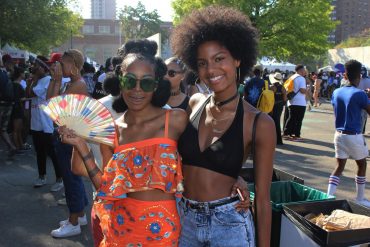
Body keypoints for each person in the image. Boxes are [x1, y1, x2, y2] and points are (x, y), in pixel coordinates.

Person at [59, 40, 188, 246]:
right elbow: (106, 188)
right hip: (121, 228)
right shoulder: (113, 131)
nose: (137, 90)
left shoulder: (175, 120)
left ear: (155, 85)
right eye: (130, 81)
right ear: (120, 82)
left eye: (145, 82)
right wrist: (81, 146)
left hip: (164, 231)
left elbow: (201, 161)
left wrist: (235, 180)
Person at [171, 5, 274, 246]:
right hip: (184, 220)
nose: (211, 70)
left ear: (238, 59)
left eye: (219, 59)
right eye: (203, 63)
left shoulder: (258, 122)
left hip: (229, 225)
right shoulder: (194, 103)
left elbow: (263, 200)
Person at [47, 49, 89, 238]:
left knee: (71, 180)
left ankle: (73, 223)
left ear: (73, 65)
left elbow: (52, 106)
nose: (58, 67)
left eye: (62, 64)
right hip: (67, 136)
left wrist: (56, 80)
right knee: (72, 178)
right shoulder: (72, 83)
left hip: (70, 139)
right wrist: (55, 79)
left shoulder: (78, 84)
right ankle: (79, 215)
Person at [327, 60, 370, 207]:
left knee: (339, 166)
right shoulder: (360, 94)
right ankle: (360, 199)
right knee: (362, 164)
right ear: (359, 75)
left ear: (345, 75)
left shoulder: (336, 92)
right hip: (354, 135)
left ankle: (328, 196)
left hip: (338, 134)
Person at [25, 56, 63, 190]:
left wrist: (33, 81)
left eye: (36, 65)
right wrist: (32, 81)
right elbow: (28, 94)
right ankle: (42, 176)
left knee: (52, 153)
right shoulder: (35, 80)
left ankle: (60, 179)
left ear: (43, 68)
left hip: (46, 122)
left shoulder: (48, 80)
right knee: (39, 151)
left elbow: (35, 93)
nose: (33, 68)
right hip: (36, 123)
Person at [283, 64, 307, 141]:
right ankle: (296, 135)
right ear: (300, 70)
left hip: (291, 100)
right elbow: (302, 90)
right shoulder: (301, 78)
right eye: (304, 70)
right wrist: (308, 90)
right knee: (298, 119)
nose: (305, 72)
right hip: (300, 102)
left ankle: (286, 133)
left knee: (291, 118)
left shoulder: (292, 77)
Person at [10, 66, 26, 151]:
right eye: (23, 73)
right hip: (17, 109)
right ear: (20, 74)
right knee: (16, 130)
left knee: (18, 129)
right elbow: (20, 98)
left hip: (16, 109)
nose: (24, 74)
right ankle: (17, 147)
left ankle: (20, 146)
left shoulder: (13, 84)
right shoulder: (17, 85)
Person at [270, 72, 287, 145]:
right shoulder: (283, 87)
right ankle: (278, 140)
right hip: (280, 106)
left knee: (272, 122)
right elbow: (285, 98)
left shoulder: (271, 87)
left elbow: (269, 98)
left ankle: (273, 139)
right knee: (277, 121)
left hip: (273, 106)